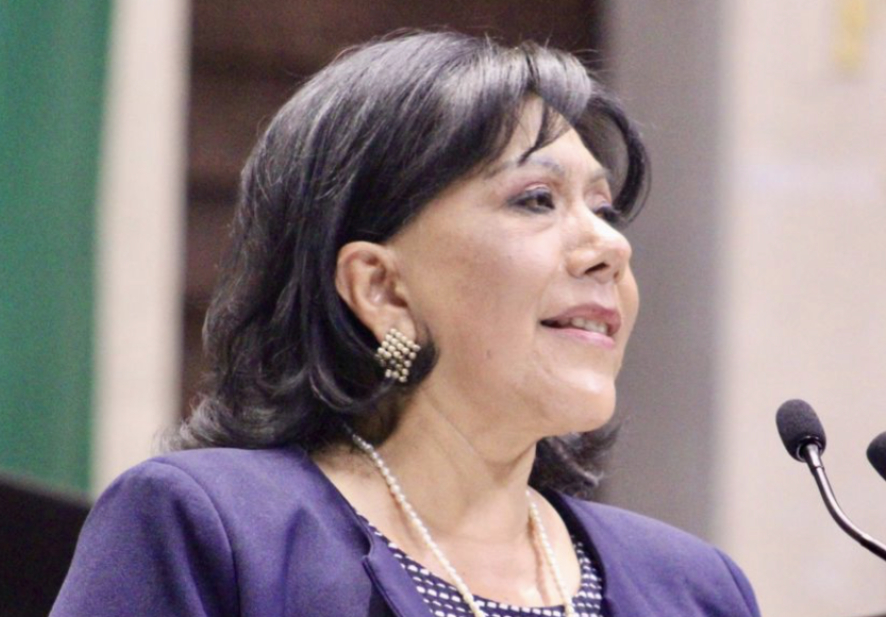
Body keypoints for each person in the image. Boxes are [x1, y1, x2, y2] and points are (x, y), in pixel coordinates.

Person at [51, 31, 761, 617]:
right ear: (381, 288)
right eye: (537, 199)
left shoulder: (694, 589)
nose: (609, 247)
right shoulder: (213, 531)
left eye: (603, 210)